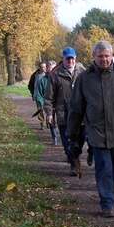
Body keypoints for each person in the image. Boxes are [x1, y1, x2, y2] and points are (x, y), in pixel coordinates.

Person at [66, 40, 114, 218]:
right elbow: (76, 109)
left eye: (107, 56)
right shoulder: (84, 79)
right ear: (93, 57)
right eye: (100, 56)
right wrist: (72, 134)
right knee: (104, 169)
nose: (104, 59)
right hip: (97, 133)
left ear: (112, 56)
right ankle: (107, 203)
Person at [43, 47, 87, 177]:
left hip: (81, 115)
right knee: (67, 141)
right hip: (64, 114)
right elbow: (48, 97)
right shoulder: (55, 74)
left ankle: (76, 155)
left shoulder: (82, 72)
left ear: (75, 58)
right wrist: (49, 113)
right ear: (62, 59)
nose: (70, 61)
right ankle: (73, 163)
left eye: (72, 58)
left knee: (81, 139)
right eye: (67, 59)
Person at [36, 60, 58, 146]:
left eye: (53, 68)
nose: (52, 70)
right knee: (51, 122)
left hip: (59, 104)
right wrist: (41, 105)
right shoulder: (42, 81)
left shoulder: (59, 78)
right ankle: (54, 138)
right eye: (50, 68)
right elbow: (39, 94)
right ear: (47, 69)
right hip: (49, 104)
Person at [27, 61, 47, 129]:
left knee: (48, 109)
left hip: (47, 95)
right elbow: (30, 85)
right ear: (39, 67)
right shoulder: (35, 75)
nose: (43, 68)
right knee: (40, 109)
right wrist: (33, 93)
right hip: (38, 95)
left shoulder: (48, 74)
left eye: (44, 67)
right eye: (42, 67)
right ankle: (42, 123)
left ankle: (49, 122)